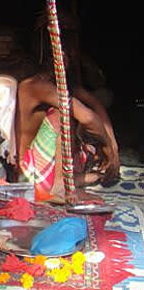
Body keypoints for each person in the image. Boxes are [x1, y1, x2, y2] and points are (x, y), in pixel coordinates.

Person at [16, 16, 120, 203]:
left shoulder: (58, 83)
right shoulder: (35, 85)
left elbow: (95, 104)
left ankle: (76, 178)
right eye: (64, 50)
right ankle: (60, 187)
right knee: (61, 114)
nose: (69, 56)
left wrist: (113, 145)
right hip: (30, 170)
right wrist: (108, 149)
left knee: (88, 131)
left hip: (49, 163)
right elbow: (88, 117)